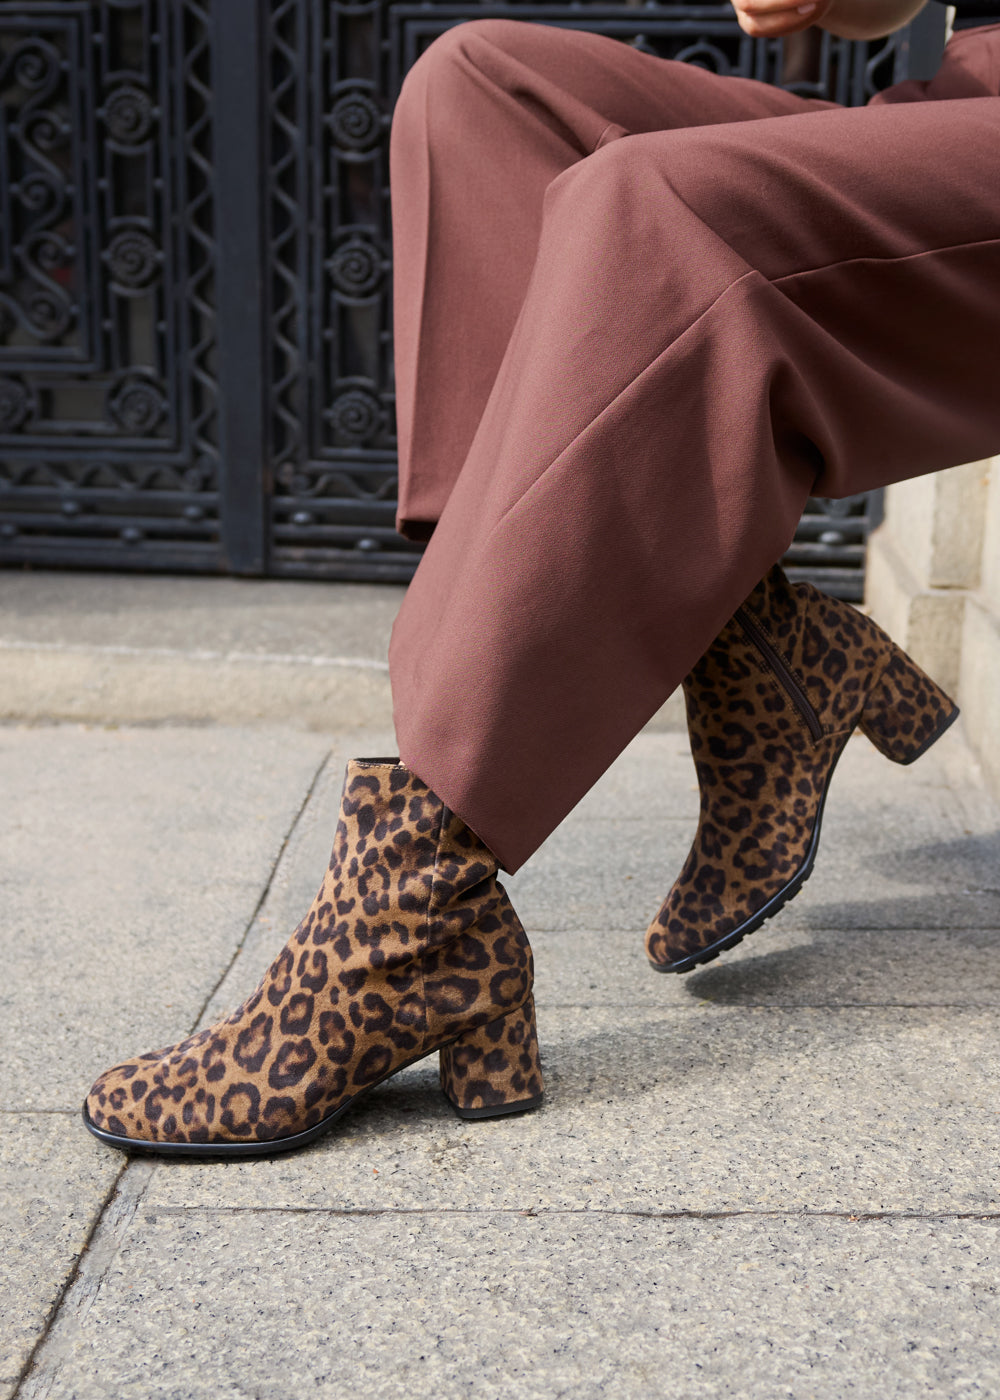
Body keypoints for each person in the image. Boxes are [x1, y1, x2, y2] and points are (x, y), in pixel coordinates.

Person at [82, 0, 999, 1155]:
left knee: (651, 207)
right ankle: (765, 651)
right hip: (963, 98)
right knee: (481, 91)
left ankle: (417, 909)